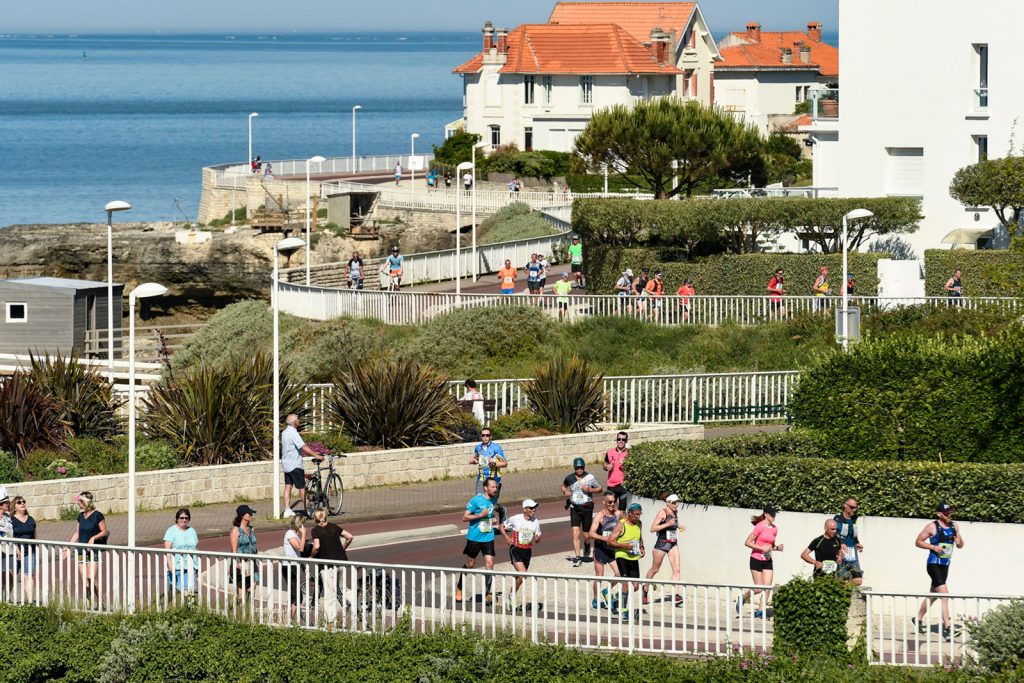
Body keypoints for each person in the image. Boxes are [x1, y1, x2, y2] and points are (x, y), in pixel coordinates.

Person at [913, 502, 965, 642]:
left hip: (945, 565)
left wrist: (959, 542)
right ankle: (947, 628)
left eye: (950, 513)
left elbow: (960, 545)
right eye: (946, 513)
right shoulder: (932, 526)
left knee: (933, 595)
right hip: (933, 564)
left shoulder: (954, 526)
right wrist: (933, 547)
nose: (949, 515)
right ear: (939, 514)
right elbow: (918, 542)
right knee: (944, 594)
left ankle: (917, 619)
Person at [456, 477, 500, 604]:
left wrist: (493, 519)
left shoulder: (493, 500)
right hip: (474, 537)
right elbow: (464, 517)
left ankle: (487, 593)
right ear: (485, 488)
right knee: (470, 564)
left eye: (496, 487)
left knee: (490, 563)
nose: (495, 489)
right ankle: (459, 586)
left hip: (488, 537)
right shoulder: (476, 500)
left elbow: (490, 514)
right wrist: (480, 515)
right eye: (492, 487)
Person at [738, 505, 783, 619]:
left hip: (767, 560)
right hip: (756, 559)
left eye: (775, 514)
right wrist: (761, 548)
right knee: (759, 588)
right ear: (766, 514)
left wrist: (777, 548)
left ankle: (761, 611)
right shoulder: (759, 526)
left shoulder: (775, 528)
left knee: (767, 587)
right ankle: (744, 597)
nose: (774, 516)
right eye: (772, 513)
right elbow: (747, 542)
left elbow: (770, 546)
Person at [311, 508, 353, 625]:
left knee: (329, 594)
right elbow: (349, 536)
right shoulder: (334, 526)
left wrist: (311, 556)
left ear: (315, 518)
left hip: (328, 566)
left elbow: (317, 546)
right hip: (341, 562)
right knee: (344, 589)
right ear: (325, 517)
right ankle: (356, 604)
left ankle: (330, 622)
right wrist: (342, 549)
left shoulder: (316, 530)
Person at [64, 491, 108, 606]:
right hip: (81, 550)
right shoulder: (80, 516)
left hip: (93, 551)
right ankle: (88, 604)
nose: (78, 503)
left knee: (91, 579)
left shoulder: (97, 515)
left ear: (84, 502)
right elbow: (77, 532)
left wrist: (93, 537)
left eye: (79, 501)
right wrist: (68, 546)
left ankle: (100, 601)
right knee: (86, 581)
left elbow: (105, 531)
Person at [500, 499, 542, 611]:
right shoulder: (516, 518)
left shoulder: (535, 521)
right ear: (524, 509)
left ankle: (509, 596)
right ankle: (512, 597)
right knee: (523, 574)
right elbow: (501, 526)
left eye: (534, 508)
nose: (534, 510)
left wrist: (537, 538)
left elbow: (538, 536)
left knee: (521, 577)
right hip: (515, 549)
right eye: (531, 508)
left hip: (527, 551)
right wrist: (507, 537)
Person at [281, 413, 324, 518]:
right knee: (301, 488)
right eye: (297, 419)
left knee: (288, 486)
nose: (299, 421)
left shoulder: (284, 432)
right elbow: (303, 446)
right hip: (295, 465)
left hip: (286, 465)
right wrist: (316, 455)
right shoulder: (293, 433)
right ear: (295, 422)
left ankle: (287, 509)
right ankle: (309, 510)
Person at [644, 494, 685, 606]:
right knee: (655, 569)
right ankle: (645, 587)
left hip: (672, 543)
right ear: (668, 503)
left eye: (677, 502)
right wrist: (668, 523)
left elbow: (672, 525)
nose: (676, 505)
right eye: (674, 503)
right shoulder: (662, 512)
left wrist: (678, 526)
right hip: (661, 544)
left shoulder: (675, 512)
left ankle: (676, 595)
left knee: (677, 570)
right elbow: (652, 529)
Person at [561, 457, 602, 567]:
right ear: (574, 468)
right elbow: (563, 486)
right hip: (574, 507)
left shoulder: (590, 477)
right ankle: (577, 557)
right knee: (575, 533)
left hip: (587, 508)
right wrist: (565, 491)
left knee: (587, 534)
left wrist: (590, 490)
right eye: (577, 468)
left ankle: (587, 544)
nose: (579, 470)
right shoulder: (569, 478)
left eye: (581, 468)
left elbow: (600, 488)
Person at [608, 503, 645, 621]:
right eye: (636, 515)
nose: (638, 517)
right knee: (625, 584)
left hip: (633, 557)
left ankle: (615, 598)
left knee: (635, 586)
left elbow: (639, 537)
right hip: (622, 555)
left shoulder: (639, 524)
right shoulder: (621, 524)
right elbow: (610, 541)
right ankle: (623, 610)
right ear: (629, 513)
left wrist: (642, 548)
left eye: (640, 514)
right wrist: (624, 546)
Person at [588, 492, 623, 609]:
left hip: (613, 549)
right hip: (600, 549)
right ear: (604, 502)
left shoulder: (619, 514)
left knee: (619, 573)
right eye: (610, 502)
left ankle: (607, 590)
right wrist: (604, 538)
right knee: (600, 576)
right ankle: (595, 598)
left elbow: (627, 524)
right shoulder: (600, 516)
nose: (612, 504)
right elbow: (591, 533)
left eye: (614, 502)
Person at [163, 508, 199, 597]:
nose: (184, 520)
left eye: (186, 518)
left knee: (189, 592)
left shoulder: (192, 531)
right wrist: (170, 564)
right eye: (181, 518)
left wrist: (197, 565)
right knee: (179, 592)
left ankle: (189, 610)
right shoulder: (171, 531)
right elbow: (167, 550)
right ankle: (165, 606)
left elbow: (195, 547)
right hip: (177, 567)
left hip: (191, 567)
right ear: (177, 519)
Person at [282, 514, 310, 623]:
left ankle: (290, 619)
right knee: (296, 595)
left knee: (296, 594)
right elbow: (300, 548)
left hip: (294, 566)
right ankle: (288, 619)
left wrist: (303, 566)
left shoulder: (294, 534)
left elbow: (296, 554)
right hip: (289, 567)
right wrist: (304, 535)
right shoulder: (290, 534)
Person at [229, 504, 258, 606]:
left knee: (253, 586)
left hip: (252, 562)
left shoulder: (251, 529)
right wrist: (235, 562)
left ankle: (246, 607)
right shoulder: (236, 530)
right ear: (242, 515)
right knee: (241, 591)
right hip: (241, 563)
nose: (251, 515)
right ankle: (235, 609)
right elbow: (234, 549)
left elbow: (254, 546)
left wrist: (257, 560)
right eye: (248, 513)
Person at [834, 498, 865, 586]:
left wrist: (857, 542)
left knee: (858, 580)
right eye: (852, 507)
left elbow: (853, 532)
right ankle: (840, 588)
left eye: (855, 507)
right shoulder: (838, 518)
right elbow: (835, 533)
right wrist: (841, 543)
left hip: (853, 551)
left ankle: (841, 586)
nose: (854, 510)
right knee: (842, 577)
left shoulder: (854, 518)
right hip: (842, 551)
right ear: (845, 506)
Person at [11, 496, 37, 600]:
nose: (22, 504)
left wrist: (36, 547)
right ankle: (5, 600)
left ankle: (31, 603)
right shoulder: (11, 520)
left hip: (30, 551)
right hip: (14, 552)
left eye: (23, 501)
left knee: (28, 576)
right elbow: (10, 536)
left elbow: (34, 535)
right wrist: (17, 550)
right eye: (19, 502)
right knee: (11, 577)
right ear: (14, 506)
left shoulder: (31, 519)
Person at [470, 428, 507, 500]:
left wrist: (494, 463)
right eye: (483, 435)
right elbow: (477, 459)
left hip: (494, 479)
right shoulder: (478, 448)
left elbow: (505, 464)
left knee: (491, 504)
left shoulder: (496, 448)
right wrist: (474, 461)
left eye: (487, 435)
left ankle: (500, 509)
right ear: (481, 436)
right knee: (479, 500)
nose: (485, 437)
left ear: (491, 437)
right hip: (481, 479)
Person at [604, 431, 630, 511]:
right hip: (611, 486)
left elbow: (633, 469)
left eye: (623, 439)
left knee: (622, 511)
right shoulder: (609, 452)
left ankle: (620, 523)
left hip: (623, 486)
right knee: (609, 510)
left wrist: (626, 464)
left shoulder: (629, 453)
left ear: (626, 441)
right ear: (617, 440)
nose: (621, 441)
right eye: (619, 439)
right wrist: (607, 467)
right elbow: (604, 465)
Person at [0, 490, 13, 594]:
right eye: (6, 503)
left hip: (9, 549)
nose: (8, 504)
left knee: (10, 576)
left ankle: (6, 600)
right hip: (1, 550)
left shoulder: (8, 516)